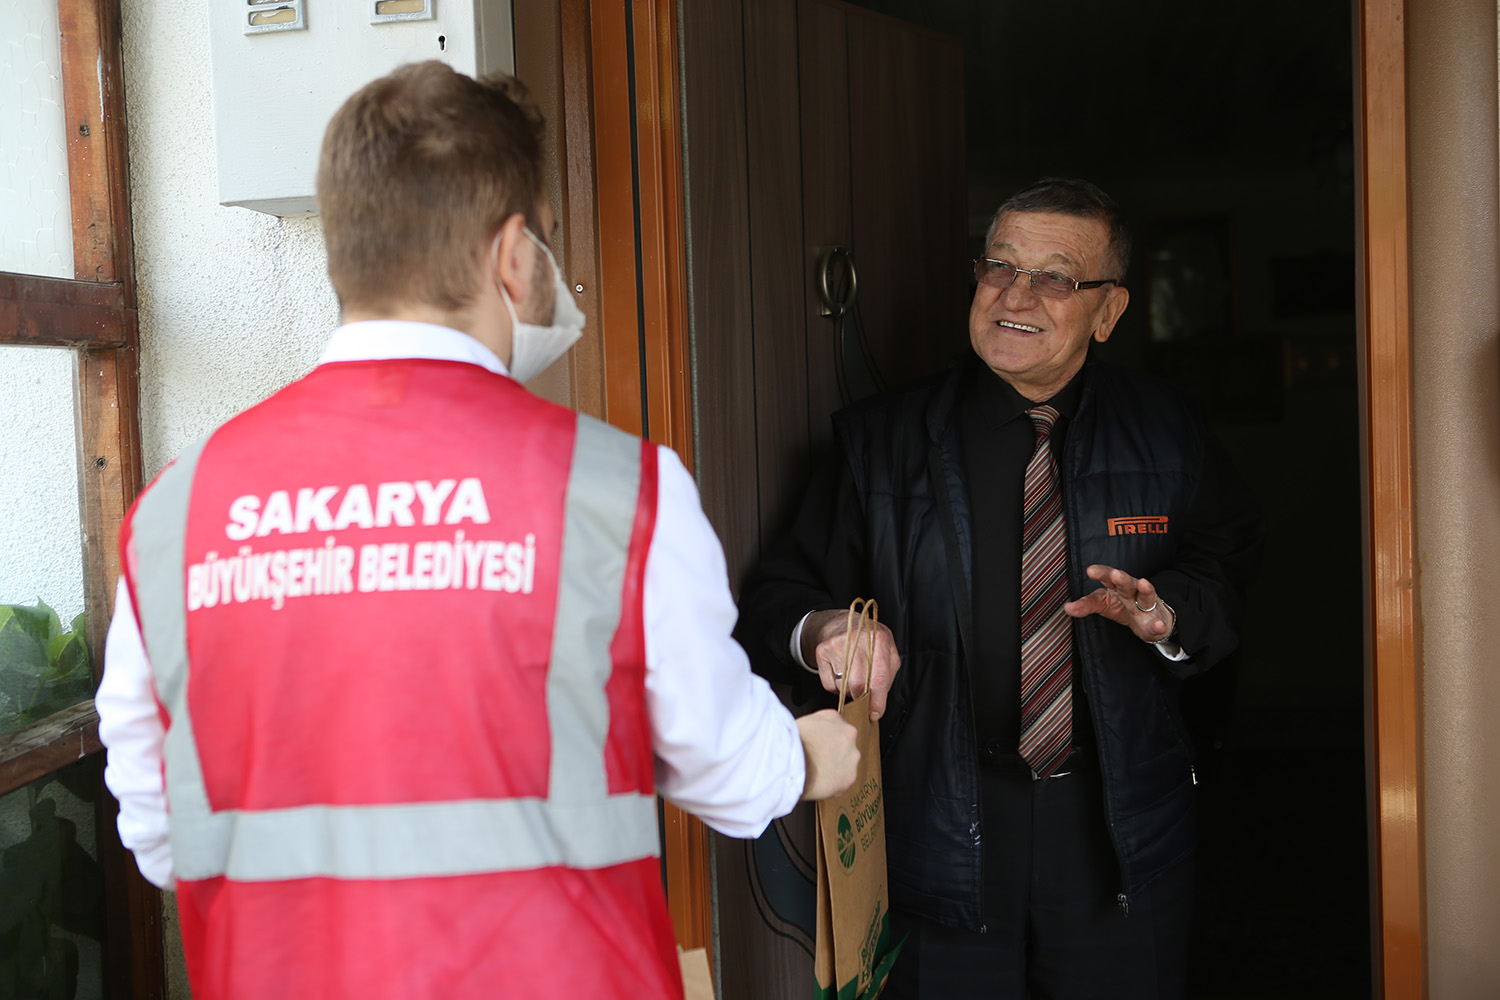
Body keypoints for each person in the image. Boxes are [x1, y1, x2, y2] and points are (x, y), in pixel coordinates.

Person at [95, 62, 859, 1000]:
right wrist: (808, 758)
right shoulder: (617, 491)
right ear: (510, 254)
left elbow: (160, 834)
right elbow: (728, 770)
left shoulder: (175, 511)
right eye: (543, 243)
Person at [736, 178, 1262, 999]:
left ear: (1109, 311)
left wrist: (1167, 616)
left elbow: (1227, 577)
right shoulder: (881, 443)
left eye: (1055, 277)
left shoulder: (1171, 433)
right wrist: (827, 628)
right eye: (998, 267)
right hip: (937, 826)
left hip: (1117, 828)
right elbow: (777, 597)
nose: (1016, 295)